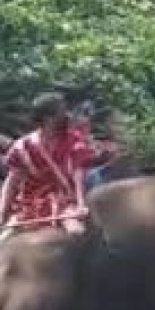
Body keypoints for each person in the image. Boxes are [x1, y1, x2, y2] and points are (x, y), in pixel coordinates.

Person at [0, 92, 93, 238]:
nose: (67, 115)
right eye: (62, 111)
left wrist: (81, 205)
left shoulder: (74, 141)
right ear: (48, 118)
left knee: (78, 234)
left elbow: (78, 174)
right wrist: (2, 212)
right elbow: (11, 182)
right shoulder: (23, 146)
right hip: (29, 206)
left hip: (64, 204)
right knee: (3, 241)